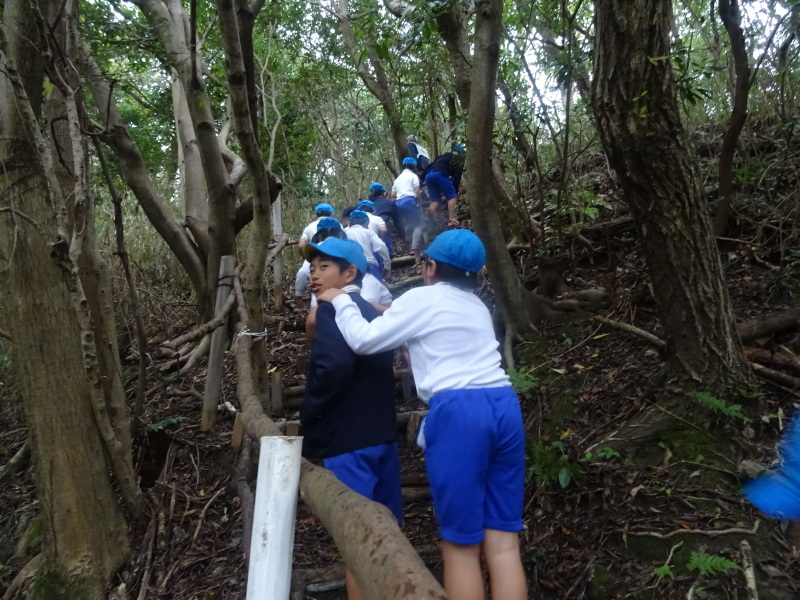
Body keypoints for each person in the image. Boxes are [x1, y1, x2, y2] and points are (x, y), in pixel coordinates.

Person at [317, 230, 527, 600]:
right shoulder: (475, 305)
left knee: (461, 547)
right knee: (504, 543)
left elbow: (364, 341)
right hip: (504, 404)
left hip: (461, 414)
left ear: (430, 267)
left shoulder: (423, 299)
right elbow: (428, 333)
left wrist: (341, 300)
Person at [300, 237, 402, 600]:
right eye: (312, 268)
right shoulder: (373, 310)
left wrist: (310, 413)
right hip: (383, 437)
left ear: (350, 272)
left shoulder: (330, 309)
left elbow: (334, 367)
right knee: (388, 535)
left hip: (348, 441)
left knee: (358, 543)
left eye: (324, 267)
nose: (314, 275)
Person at [295, 204, 336, 309]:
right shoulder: (337, 225)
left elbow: (301, 245)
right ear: (332, 215)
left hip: (314, 254)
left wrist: (305, 256)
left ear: (316, 215)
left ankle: (298, 296)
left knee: (303, 272)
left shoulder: (309, 227)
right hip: (335, 255)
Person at [424, 145, 466, 228]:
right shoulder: (458, 158)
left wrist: (422, 178)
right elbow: (457, 175)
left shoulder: (443, 156)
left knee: (435, 200)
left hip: (428, 176)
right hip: (441, 174)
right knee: (452, 197)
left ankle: (430, 212)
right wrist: (455, 189)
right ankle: (452, 220)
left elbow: (430, 165)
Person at [347, 209, 391, 281]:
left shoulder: (345, 233)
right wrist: (387, 264)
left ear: (350, 223)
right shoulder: (369, 232)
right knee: (377, 289)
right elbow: (381, 246)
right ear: (366, 223)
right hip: (369, 264)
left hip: (352, 268)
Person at [391, 157, 422, 255]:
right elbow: (417, 192)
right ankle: (414, 248)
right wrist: (419, 203)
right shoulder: (413, 176)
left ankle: (406, 239)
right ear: (413, 166)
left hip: (398, 203)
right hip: (409, 201)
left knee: (409, 221)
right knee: (418, 225)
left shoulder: (397, 179)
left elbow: (392, 195)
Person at [369, 182, 401, 247]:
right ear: (384, 193)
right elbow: (397, 221)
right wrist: (402, 234)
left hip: (368, 232)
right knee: (387, 253)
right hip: (383, 231)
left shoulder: (367, 204)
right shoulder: (388, 203)